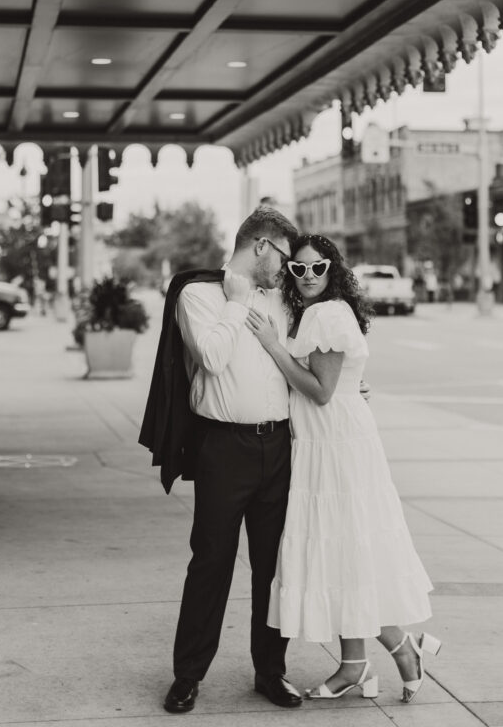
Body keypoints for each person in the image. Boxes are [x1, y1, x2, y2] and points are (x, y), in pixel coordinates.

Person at [246, 233, 439, 704]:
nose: (308, 276)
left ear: (334, 269)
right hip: (326, 441)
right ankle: (358, 664)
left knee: (345, 548)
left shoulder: (327, 315)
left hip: (336, 445)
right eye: (299, 269)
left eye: (318, 267)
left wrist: (272, 345)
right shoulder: (320, 313)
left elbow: (321, 390)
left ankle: (398, 648)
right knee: (342, 554)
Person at [156, 207, 302, 715]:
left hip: (279, 447)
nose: (287, 269)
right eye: (283, 256)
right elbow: (213, 357)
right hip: (223, 449)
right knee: (211, 563)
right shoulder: (198, 296)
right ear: (261, 246)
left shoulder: (283, 300)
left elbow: (300, 360)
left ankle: (271, 672)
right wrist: (237, 303)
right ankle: (187, 676)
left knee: (273, 568)